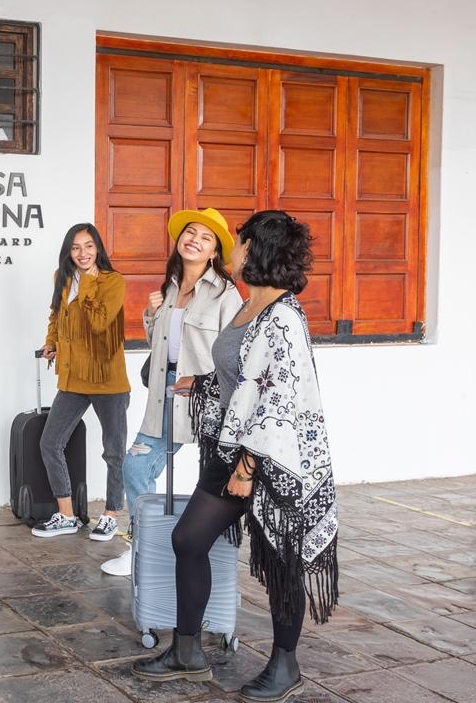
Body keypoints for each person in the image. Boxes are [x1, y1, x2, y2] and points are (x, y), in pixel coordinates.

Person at [131, 211, 339, 703]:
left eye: (240, 243)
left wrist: (247, 469)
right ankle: (187, 651)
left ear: (257, 250)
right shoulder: (250, 308)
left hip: (273, 462)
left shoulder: (284, 316)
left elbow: (278, 399)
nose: (234, 251)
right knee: (189, 539)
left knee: (280, 562)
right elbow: (241, 378)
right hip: (232, 451)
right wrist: (199, 383)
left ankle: (285, 666)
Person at [101, 208, 242, 576]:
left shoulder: (227, 295)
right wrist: (151, 316)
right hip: (166, 395)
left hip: (207, 401)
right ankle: (144, 550)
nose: (194, 239)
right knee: (136, 467)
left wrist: (208, 386)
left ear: (214, 252)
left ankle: (199, 554)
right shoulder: (170, 286)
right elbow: (160, 345)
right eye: (190, 232)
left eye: (205, 237)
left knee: (210, 482)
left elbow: (237, 352)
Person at [33, 223, 130, 540]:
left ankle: (112, 513)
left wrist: (88, 283)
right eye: (76, 247)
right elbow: (56, 315)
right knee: (50, 443)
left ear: (98, 248)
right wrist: (52, 343)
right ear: (68, 251)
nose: (83, 253)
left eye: (89, 246)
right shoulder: (62, 279)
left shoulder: (112, 282)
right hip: (74, 377)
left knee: (113, 451)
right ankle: (66, 515)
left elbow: (101, 322)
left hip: (107, 379)